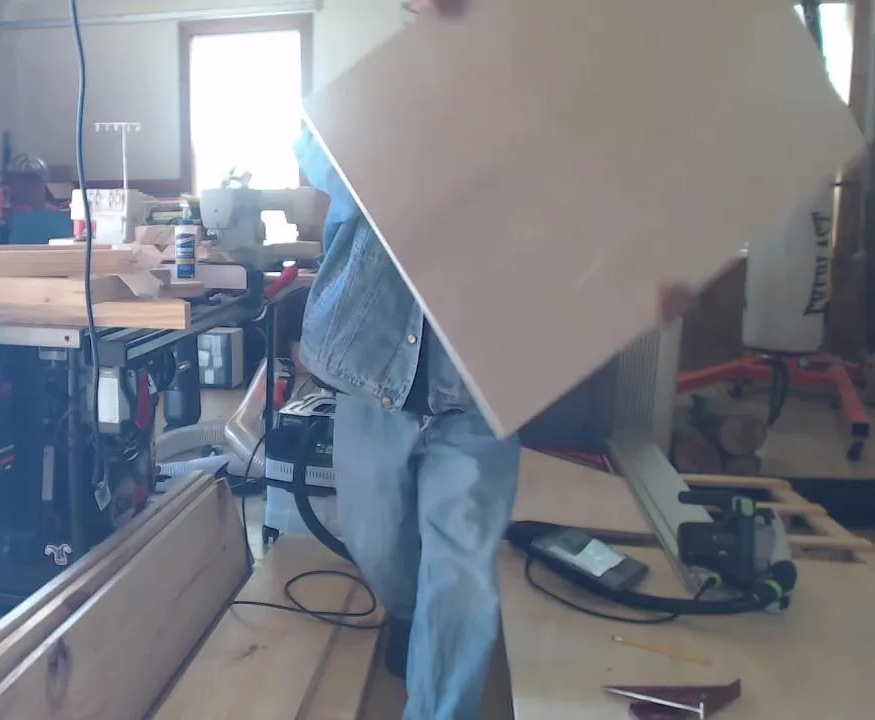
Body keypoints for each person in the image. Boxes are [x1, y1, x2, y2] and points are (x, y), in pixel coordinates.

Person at [293, 2, 695, 717]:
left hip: (480, 385)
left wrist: (644, 271)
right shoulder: (383, 85)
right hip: (372, 369)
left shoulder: (541, 102)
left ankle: (439, 696)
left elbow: (593, 207)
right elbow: (314, 152)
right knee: (378, 545)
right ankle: (411, 614)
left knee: (464, 570)